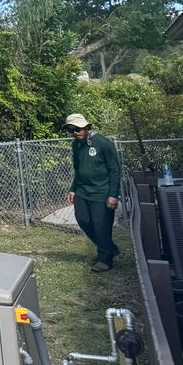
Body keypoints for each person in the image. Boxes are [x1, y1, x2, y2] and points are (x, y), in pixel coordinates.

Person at [65, 113, 122, 272]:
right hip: (82, 190)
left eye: (77, 129)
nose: (74, 133)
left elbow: (115, 170)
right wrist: (73, 188)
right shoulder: (76, 145)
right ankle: (110, 248)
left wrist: (113, 194)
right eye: (71, 130)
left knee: (101, 225)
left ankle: (105, 260)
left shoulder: (103, 144)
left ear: (86, 127)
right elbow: (78, 169)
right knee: (83, 220)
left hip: (102, 192)